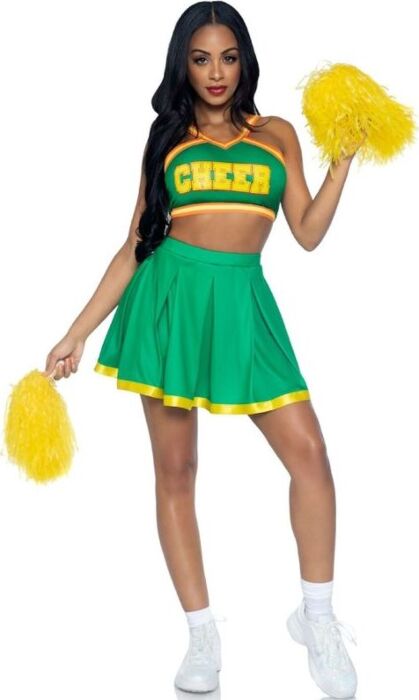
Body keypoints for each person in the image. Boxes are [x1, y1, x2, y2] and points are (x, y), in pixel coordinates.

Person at [42, 2, 360, 697]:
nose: (216, 72)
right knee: (177, 471)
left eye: (228, 57)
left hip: (244, 306)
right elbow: (136, 245)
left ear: (245, 60)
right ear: (182, 65)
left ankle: (317, 619)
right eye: (200, 58)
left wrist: (341, 164)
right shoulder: (168, 139)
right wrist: (77, 331)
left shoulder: (276, 135)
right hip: (170, 305)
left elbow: (307, 233)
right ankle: (201, 635)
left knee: (309, 453)